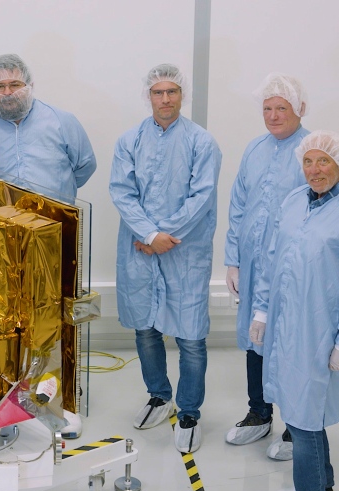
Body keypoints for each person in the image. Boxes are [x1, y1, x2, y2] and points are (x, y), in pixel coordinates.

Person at [109, 64, 221, 453]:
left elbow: (201, 197)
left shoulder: (201, 142)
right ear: (149, 96)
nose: (166, 99)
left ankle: (189, 411)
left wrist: (163, 235)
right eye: (158, 92)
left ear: (181, 95)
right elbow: (122, 191)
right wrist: (149, 234)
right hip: (141, 250)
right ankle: (159, 395)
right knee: (146, 329)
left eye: (172, 91)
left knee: (191, 338)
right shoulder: (130, 140)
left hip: (184, 252)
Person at [250, 130, 339, 491]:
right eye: (308, 162)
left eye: (324, 162)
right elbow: (272, 260)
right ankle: (322, 481)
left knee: (305, 413)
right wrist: (262, 311)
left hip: (320, 328)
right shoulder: (294, 202)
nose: (315, 170)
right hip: (288, 324)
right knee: (298, 404)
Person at [223, 74, 309, 459]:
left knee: (289, 343)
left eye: (282, 108)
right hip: (254, 264)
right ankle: (259, 414)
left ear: (299, 110)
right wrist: (233, 260)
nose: (274, 116)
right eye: (267, 108)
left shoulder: (311, 151)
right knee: (255, 338)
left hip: (293, 268)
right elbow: (238, 205)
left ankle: (297, 426)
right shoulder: (255, 149)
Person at [0, 54, 96, 203]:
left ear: (30, 86)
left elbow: (86, 165)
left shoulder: (61, 121)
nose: (7, 92)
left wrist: (61, 191)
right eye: (0, 86)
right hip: (0, 221)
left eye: (15, 84)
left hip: (55, 218)